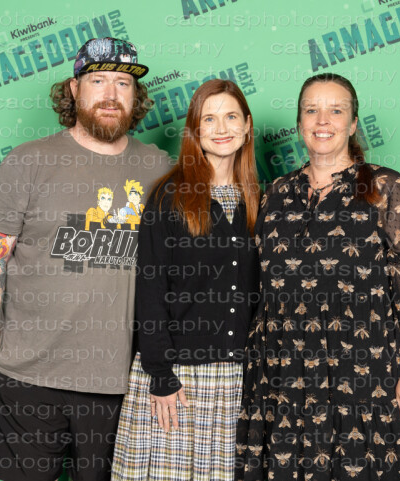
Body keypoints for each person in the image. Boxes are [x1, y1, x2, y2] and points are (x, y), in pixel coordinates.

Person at [235, 73, 400, 481]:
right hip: (283, 381)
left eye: (336, 111)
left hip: (363, 380)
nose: (323, 120)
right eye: (312, 110)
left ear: (353, 123)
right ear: (299, 122)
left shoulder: (385, 187)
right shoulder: (276, 194)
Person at [0, 37, 171, 481]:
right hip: (24, 379)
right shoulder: (28, 161)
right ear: (74, 88)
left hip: (116, 384)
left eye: (123, 83)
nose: (111, 94)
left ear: (136, 96)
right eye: (98, 80)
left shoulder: (158, 169)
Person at [110, 79, 260, 481]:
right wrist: (161, 375)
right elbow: (151, 290)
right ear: (195, 129)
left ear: (247, 125)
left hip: (236, 379)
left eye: (231, 117)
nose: (221, 128)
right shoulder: (170, 196)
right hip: (177, 374)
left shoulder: (258, 199)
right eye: (209, 119)